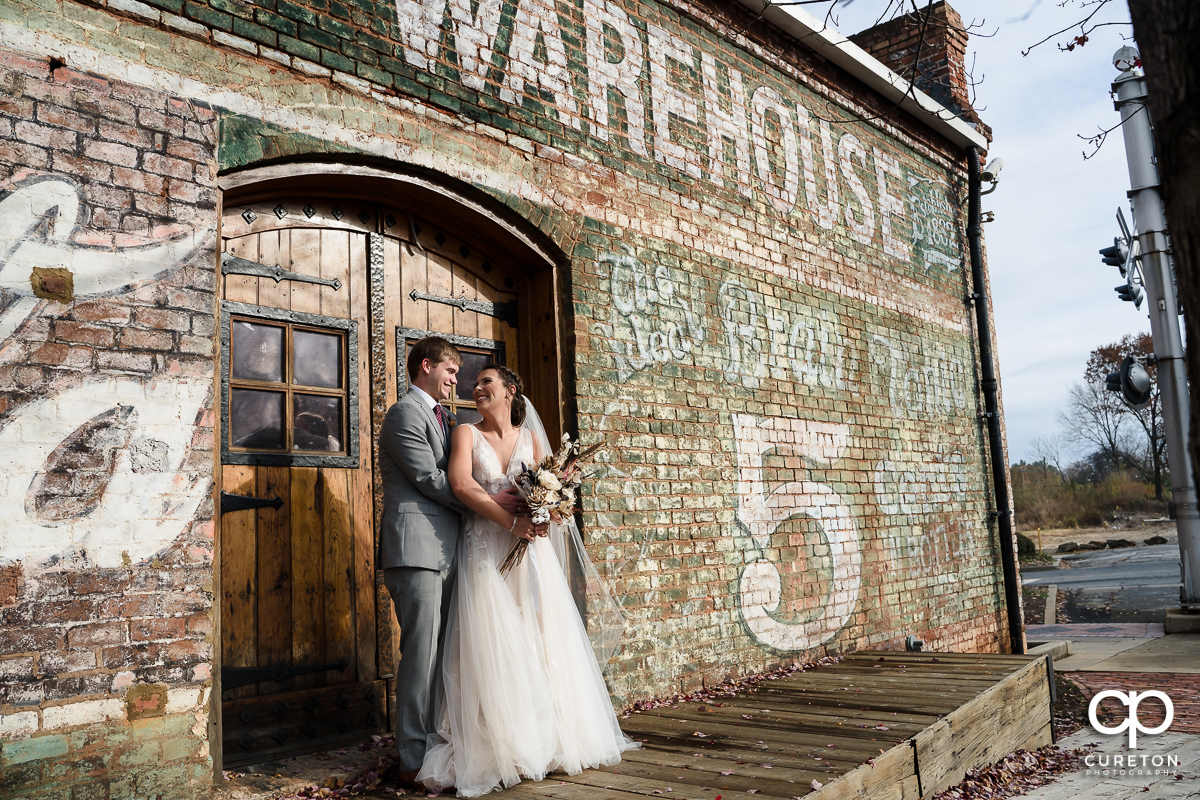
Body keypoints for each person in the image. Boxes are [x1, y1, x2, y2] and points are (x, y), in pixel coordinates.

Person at [417, 365, 636, 797]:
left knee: (537, 633)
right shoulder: (465, 433)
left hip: (529, 554)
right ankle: (500, 745)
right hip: (485, 546)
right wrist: (509, 523)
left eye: (486, 383)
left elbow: (548, 492)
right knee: (490, 639)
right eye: (474, 384)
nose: (475, 389)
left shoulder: (532, 439)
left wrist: (546, 512)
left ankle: (547, 740)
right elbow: (461, 484)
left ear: (509, 392)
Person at [377, 337, 527, 789]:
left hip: (449, 548)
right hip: (417, 548)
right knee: (420, 656)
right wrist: (489, 499)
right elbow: (429, 477)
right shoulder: (405, 413)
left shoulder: (446, 418)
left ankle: (438, 746)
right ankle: (411, 757)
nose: (455, 381)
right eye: (450, 372)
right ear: (426, 366)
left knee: (446, 656)